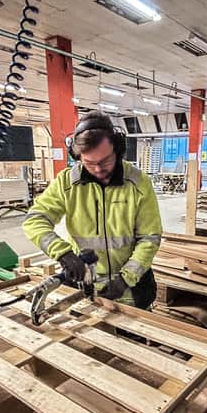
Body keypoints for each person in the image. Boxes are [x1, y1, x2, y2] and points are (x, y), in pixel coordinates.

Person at [22, 111, 162, 309]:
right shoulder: (67, 183)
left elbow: (150, 237)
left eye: (105, 161)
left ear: (118, 149)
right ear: (77, 156)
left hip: (132, 288)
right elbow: (34, 220)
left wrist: (126, 278)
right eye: (89, 163)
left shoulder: (138, 183)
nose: (98, 169)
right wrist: (63, 253)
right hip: (84, 286)